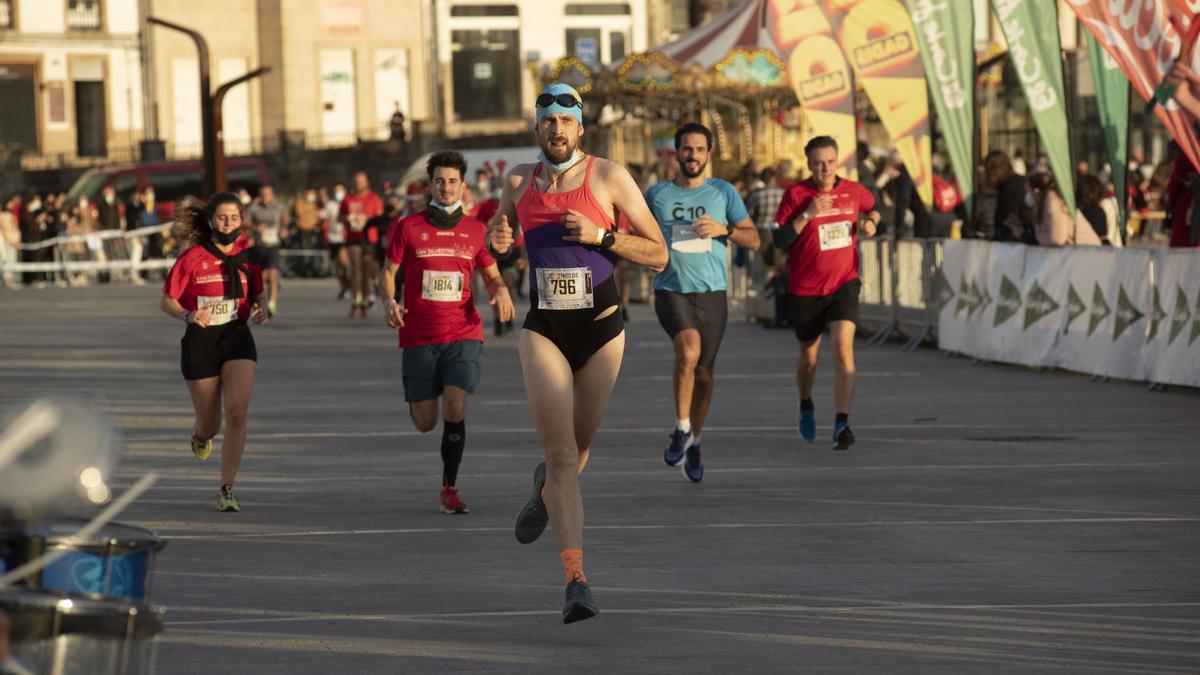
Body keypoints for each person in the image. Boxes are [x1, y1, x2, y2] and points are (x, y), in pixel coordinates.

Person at [487, 82, 668, 623]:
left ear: (580, 127)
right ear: (537, 126)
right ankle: (576, 580)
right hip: (544, 328)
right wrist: (498, 246)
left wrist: (602, 236)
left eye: (566, 121)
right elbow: (500, 233)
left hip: (603, 331)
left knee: (578, 452)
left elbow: (658, 254)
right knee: (563, 454)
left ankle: (545, 493)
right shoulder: (518, 179)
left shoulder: (610, 176)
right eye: (548, 120)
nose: (557, 129)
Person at [379, 151, 514, 514]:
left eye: (453, 180)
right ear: (430, 185)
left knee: (455, 407)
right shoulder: (408, 228)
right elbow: (387, 271)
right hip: (419, 335)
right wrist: (389, 301)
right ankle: (425, 392)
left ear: (462, 186)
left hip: (463, 332)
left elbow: (491, 274)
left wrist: (500, 290)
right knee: (425, 423)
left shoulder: (474, 230)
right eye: (440, 180)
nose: (447, 186)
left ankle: (449, 487)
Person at [645, 123, 759, 482]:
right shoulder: (657, 195)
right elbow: (637, 236)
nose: (692, 155)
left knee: (705, 375)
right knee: (688, 352)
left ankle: (694, 440)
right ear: (675, 153)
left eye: (698, 149)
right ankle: (680, 428)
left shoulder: (723, 193)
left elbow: (754, 239)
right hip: (671, 289)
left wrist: (724, 230)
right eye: (686, 148)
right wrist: (645, 255)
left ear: (709, 154)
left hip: (712, 293)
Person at [160, 192, 269, 511]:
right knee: (211, 423)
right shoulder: (191, 258)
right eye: (222, 217)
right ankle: (200, 436)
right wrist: (186, 314)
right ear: (210, 221)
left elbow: (260, 295)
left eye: (234, 218)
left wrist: (263, 310)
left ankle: (227, 488)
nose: (229, 223)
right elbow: (167, 300)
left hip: (237, 338)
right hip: (201, 343)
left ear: (242, 221)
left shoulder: (248, 258)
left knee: (237, 410)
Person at [771, 135, 880, 451]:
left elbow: (873, 210)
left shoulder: (853, 191)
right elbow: (778, 240)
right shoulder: (796, 194)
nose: (825, 168)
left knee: (844, 350)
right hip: (805, 289)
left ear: (838, 161)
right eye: (818, 163)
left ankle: (842, 422)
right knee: (809, 357)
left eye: (830, 162)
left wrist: (872, 222)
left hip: (844, 283)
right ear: (809, 163)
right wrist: (807, 215)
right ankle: (805, 402)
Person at [340, 172, 384, 317]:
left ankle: (365, 298)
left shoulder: (374, 198)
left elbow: (381, 218)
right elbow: (340, 217)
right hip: (353, 237)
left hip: (369, 238)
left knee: (366, 270)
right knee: (355, 268)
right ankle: (355, 300)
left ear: (366, 183)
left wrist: (366, 219)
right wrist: (348, 218)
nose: (358, 184)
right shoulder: (348, 198)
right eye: (356, 181)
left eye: (361, 182)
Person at [1028, 172, 1102, 246]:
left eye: (1028, 191)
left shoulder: (1053, 201)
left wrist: (1039, 237)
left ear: (1036, 190)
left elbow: (1057, 238)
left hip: (1086, 251)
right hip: (1083, 250)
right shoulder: (1051, 200)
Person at [246, 185, 287, 317]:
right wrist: (255, 227)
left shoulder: (278, 207)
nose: (265, 196)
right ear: (260, 195)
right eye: (263, 194)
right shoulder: (254, 208)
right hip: (259, 245)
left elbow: (285, 219)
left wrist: (283, 229)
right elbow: (244, 222)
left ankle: (272, 304)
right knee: (262, 277)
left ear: (272, 194)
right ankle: (255, 299)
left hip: (273, 244)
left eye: (268, 194)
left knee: (273, 275)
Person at [324, 184, 350, 298]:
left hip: (344, 238)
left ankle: (350, 285)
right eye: (336, 191)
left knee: (344, 261)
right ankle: (344, 287)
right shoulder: (330, 204)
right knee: (337, 268)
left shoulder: (348, 202)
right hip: (332, 238)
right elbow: (323, 216)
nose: (337, 192)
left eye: (340, 190)